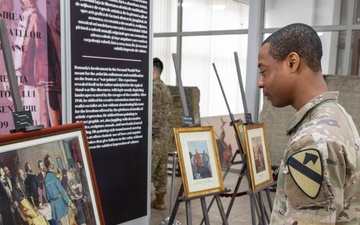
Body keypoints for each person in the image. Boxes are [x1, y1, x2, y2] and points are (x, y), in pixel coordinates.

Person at [257, 23, 360, 224]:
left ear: (292, 63)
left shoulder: (313, 141)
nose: (260, 82)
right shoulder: (336, 115)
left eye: (264, 71)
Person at [151, 57, 172, 210]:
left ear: (153, 71)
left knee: (149, 169)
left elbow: (150, 115)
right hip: (164, 136)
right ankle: (159, 200)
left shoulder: (153, 89)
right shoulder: (164, 87)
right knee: (161, 169)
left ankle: (139, 204)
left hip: (155, 135)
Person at [43, 155, 75, 225]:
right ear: (50, 165)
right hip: (61, 204)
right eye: (51, 161)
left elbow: (48, 196)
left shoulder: (45, 179)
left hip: (54, 206)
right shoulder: (54, 176)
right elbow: (62, 191)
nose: (53, 163)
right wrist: (69, 203)